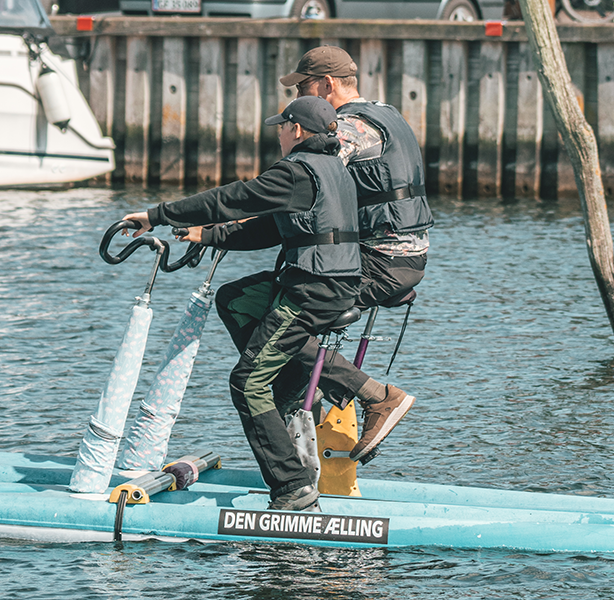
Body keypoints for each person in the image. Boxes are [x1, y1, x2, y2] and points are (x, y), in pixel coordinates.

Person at [121, 96, 412, 512]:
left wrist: (157, 215)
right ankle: (287, 389)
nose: (278, 134)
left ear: (296, 130)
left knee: (246, 383)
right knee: (236, 298)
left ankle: (293, 487)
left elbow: (232, 199)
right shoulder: (334, 169)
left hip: (312, 291)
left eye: (281, 127)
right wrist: (208, 236)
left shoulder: (296, 171)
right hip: (327, 283)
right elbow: (272, 229)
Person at [272, 47, 432, 462]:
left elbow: (303, 181)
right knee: (292, 311)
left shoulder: (348, 128)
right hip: (403, 254)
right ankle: (319, 433)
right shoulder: (386, 112)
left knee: (280, 323)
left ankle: (376, 397)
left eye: (305, 87)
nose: (298, 101)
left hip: (381, 261)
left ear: (326, 85)